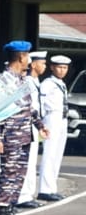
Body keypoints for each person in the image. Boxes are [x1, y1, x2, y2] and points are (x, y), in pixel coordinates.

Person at [0, 41, 44, 215]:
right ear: (21, 57)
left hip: (24, 134)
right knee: (8, 173)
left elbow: (29, 108)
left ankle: (11, 208)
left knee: (19, 174)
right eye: (28, 56)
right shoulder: (3, 81)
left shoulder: (22, 80)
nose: (29, 60)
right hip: (10, 135)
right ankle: (0, 211)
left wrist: (39, 125)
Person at [17, 50, 48, 209]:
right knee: (25, 162)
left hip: (34, 124)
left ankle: (28, 193)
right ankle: (22, 195)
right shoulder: (27, 81)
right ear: (34, 64)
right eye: (42, 63)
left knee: (31, 161)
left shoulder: (36, 82)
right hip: (25, 124)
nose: (45, 66)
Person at [38, 55, 72, 201]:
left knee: (57, 154)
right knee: (50, 153)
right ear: (52, 67)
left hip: (62, 117)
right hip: (51, 117)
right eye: (59, 67)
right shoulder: (47, 83)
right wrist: (42, 122)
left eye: (65, 68)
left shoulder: (61, 84)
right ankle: (45, 189)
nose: (62, 70)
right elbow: (41, 103)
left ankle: (52, 187)